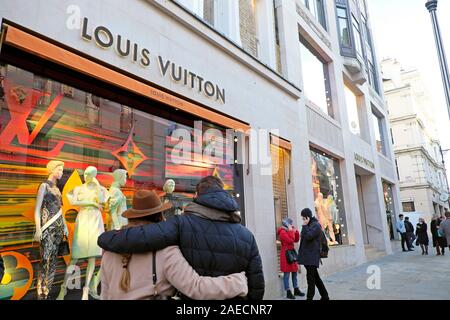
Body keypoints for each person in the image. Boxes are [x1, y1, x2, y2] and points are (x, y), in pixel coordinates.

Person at [98, 176, 264, 300]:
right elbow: (196, 287)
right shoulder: (166, 252)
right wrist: (238, 282)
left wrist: (105, 238)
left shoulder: (109, 251)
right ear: (159, 217)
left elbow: (104, 295)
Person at [33, 160, 69, 300]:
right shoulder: (44, 186)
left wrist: (65, 226)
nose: (61, 172)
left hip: (58, 227)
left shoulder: (57, 189)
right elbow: (37, 209)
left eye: (62, 170)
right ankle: (40, 290)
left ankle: (47, 290)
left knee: (53, 259)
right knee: (45, 258)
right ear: (52, 170)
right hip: (47, 227)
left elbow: (60, 210)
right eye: (59, 169)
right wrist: (38, 229)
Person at [297, 208, 329, 301]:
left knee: (310, 280)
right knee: (316, 278)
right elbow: (302, 236)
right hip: (308, 257)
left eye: (303, 218)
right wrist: (305, 226)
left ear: (308, 217)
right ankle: (325, 296)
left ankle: (309, 298)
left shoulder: (315, 226)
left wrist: (304, 226)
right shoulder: (310, 225)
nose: (303, 220)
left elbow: (308, 236)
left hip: (312, 257)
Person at [277, 218, 305, 299]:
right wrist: (291, 231)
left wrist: (296, 232)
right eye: (290, 224)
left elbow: (296, 240)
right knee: (286, 274)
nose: (291, 225)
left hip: (291, 252)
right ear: (286, 224)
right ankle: (288, 291)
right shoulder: (282, 231)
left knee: (294, 272)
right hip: (286, 254)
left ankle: (296, 289)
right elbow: (290, 241)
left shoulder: (289, 230)